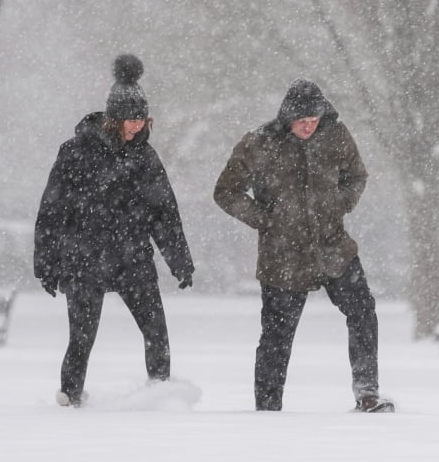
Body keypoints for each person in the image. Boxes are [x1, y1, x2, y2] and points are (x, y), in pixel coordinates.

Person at [214, 78, 394, 413]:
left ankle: (367, 393)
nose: (309, 127)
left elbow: (357, 177)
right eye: (302, 121)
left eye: (314, 120)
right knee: (277, 336)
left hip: (334, 249)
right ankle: (268, 408)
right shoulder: (258, 143)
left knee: (363, 312)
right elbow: (225, 192)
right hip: (282, 256)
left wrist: (340, 203)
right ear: (287, 118)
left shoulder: (337, 136)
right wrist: (265, 218)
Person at [33, 54, 194, 408]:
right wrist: (46, 262)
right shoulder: (75, 153)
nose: (137, 126)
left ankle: (160, 394)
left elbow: (164, 214)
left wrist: (179, 260)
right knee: (82, 337)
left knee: (156, 332)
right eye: (131, 120)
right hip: (83, 260)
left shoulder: (145, 158)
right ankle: (70, 397)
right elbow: (52, 211)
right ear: (113, 119)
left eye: (142, 119)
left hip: (132, 259)